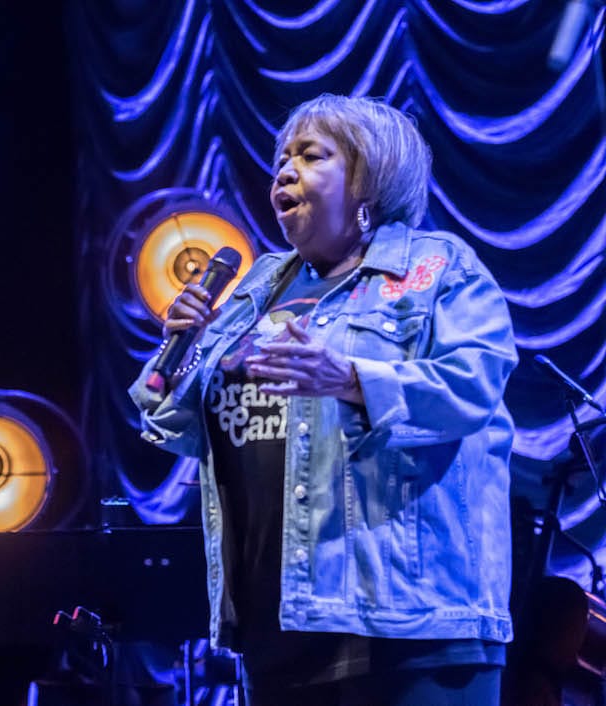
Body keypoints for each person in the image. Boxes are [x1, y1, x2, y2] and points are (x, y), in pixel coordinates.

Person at [129, 95, 517, 705]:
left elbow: (472, 388)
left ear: (369, 177)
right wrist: (180, 351)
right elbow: (181, 425)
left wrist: (351, 379)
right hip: (278, 623)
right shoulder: (259, 286)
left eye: (311, 156)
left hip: (408, 625)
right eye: (282, 158)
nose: (285, 171)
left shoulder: (437, 269)